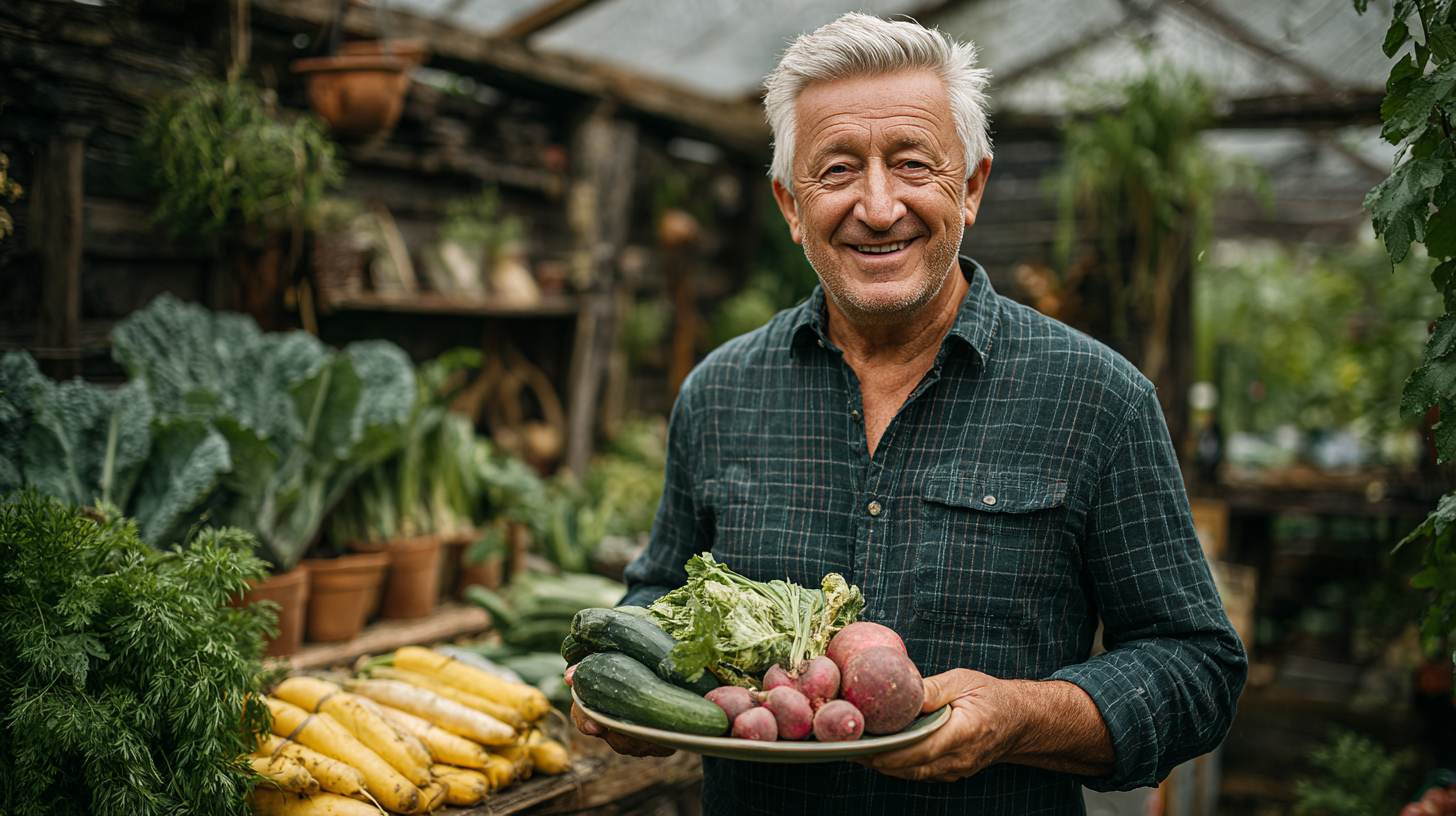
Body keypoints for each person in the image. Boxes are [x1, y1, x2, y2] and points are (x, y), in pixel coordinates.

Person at [573, 12, 1246, 815]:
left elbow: (1196, 667)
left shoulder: (1097, 397)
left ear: (971, 188)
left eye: (913, 164)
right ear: (791, 205)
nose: (880, 206)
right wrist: (626, 676)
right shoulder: (719, 393)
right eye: (837, 171)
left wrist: (1024, 717)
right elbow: (660, 589)